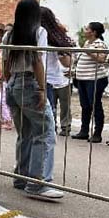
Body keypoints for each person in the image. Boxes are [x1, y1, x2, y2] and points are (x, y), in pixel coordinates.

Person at [3, 0, 62, 200]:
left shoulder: (9, 35)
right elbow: (38, 61)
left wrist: (8, 84)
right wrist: (42, 89)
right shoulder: (39, 32)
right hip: (30, 83)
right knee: (45, 133)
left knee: (25, 133)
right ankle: (38, 183)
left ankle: (21, 177)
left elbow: (5, 64)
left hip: (13, 84)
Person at [72, 22, 109, 143]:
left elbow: (101, 58)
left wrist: (88, 51)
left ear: (93, 32)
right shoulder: (88, 43)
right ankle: (84, 131)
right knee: (85, 106)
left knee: (95, 105)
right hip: (83, 79)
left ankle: (97, 133)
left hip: (94, 80)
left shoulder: (99, 44)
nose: (84, 30)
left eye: (87, 29)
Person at [40, 7, 75, 136]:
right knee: (49, 110)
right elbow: (67, 62)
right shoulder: (51, 37)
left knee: (55, 108)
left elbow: (67, 63)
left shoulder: (52, 38)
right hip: (47, 79)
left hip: (52, 79)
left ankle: (61, 128)